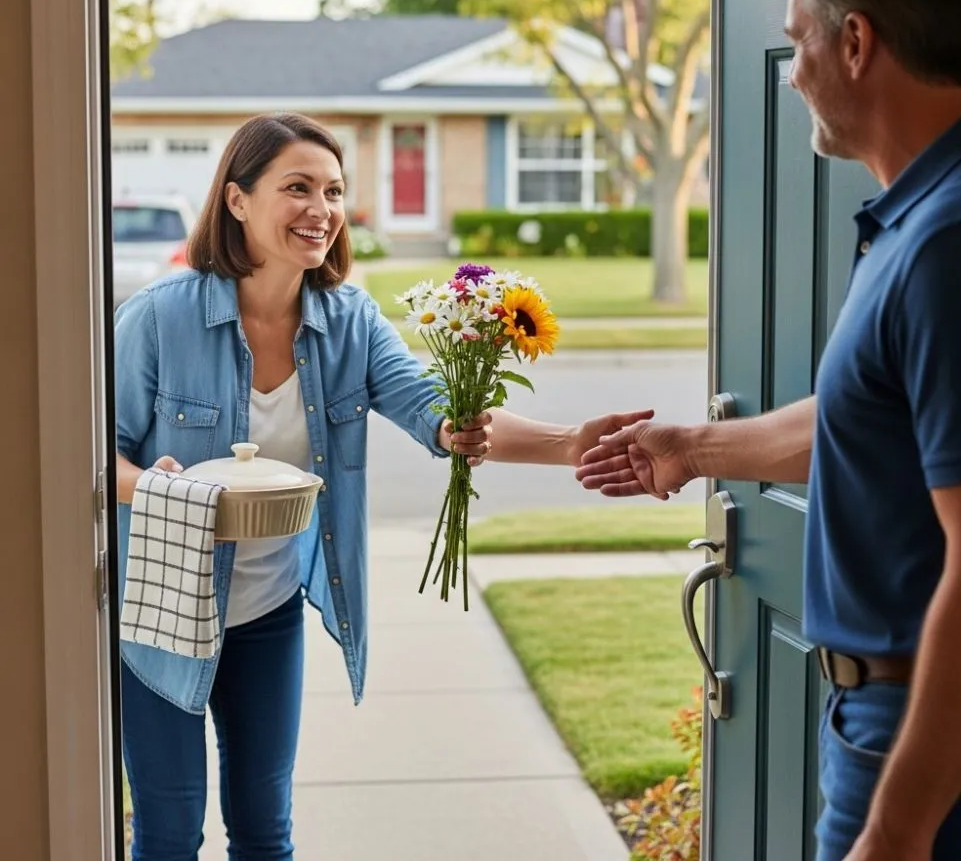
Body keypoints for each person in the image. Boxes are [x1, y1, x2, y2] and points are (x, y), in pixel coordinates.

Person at [577, 0, 961, 861]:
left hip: (933, 758)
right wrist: (691, 447)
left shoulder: (959, 239)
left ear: (854, 42)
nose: (791, 72)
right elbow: (877, 426)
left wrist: (895, 830)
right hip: (885, 729)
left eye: (797, 41)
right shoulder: (920, 216)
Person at [114, 111, 650, 861]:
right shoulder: (158, 319)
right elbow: (93, 459)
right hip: (164, 614)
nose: (321, 210)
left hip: (267, 611)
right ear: (236, 200)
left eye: (333, 191)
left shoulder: (349, 320)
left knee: (265, 833)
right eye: (296, 187)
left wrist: (569, 444)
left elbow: (438, 412)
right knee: (169, 834)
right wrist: (157, 487)